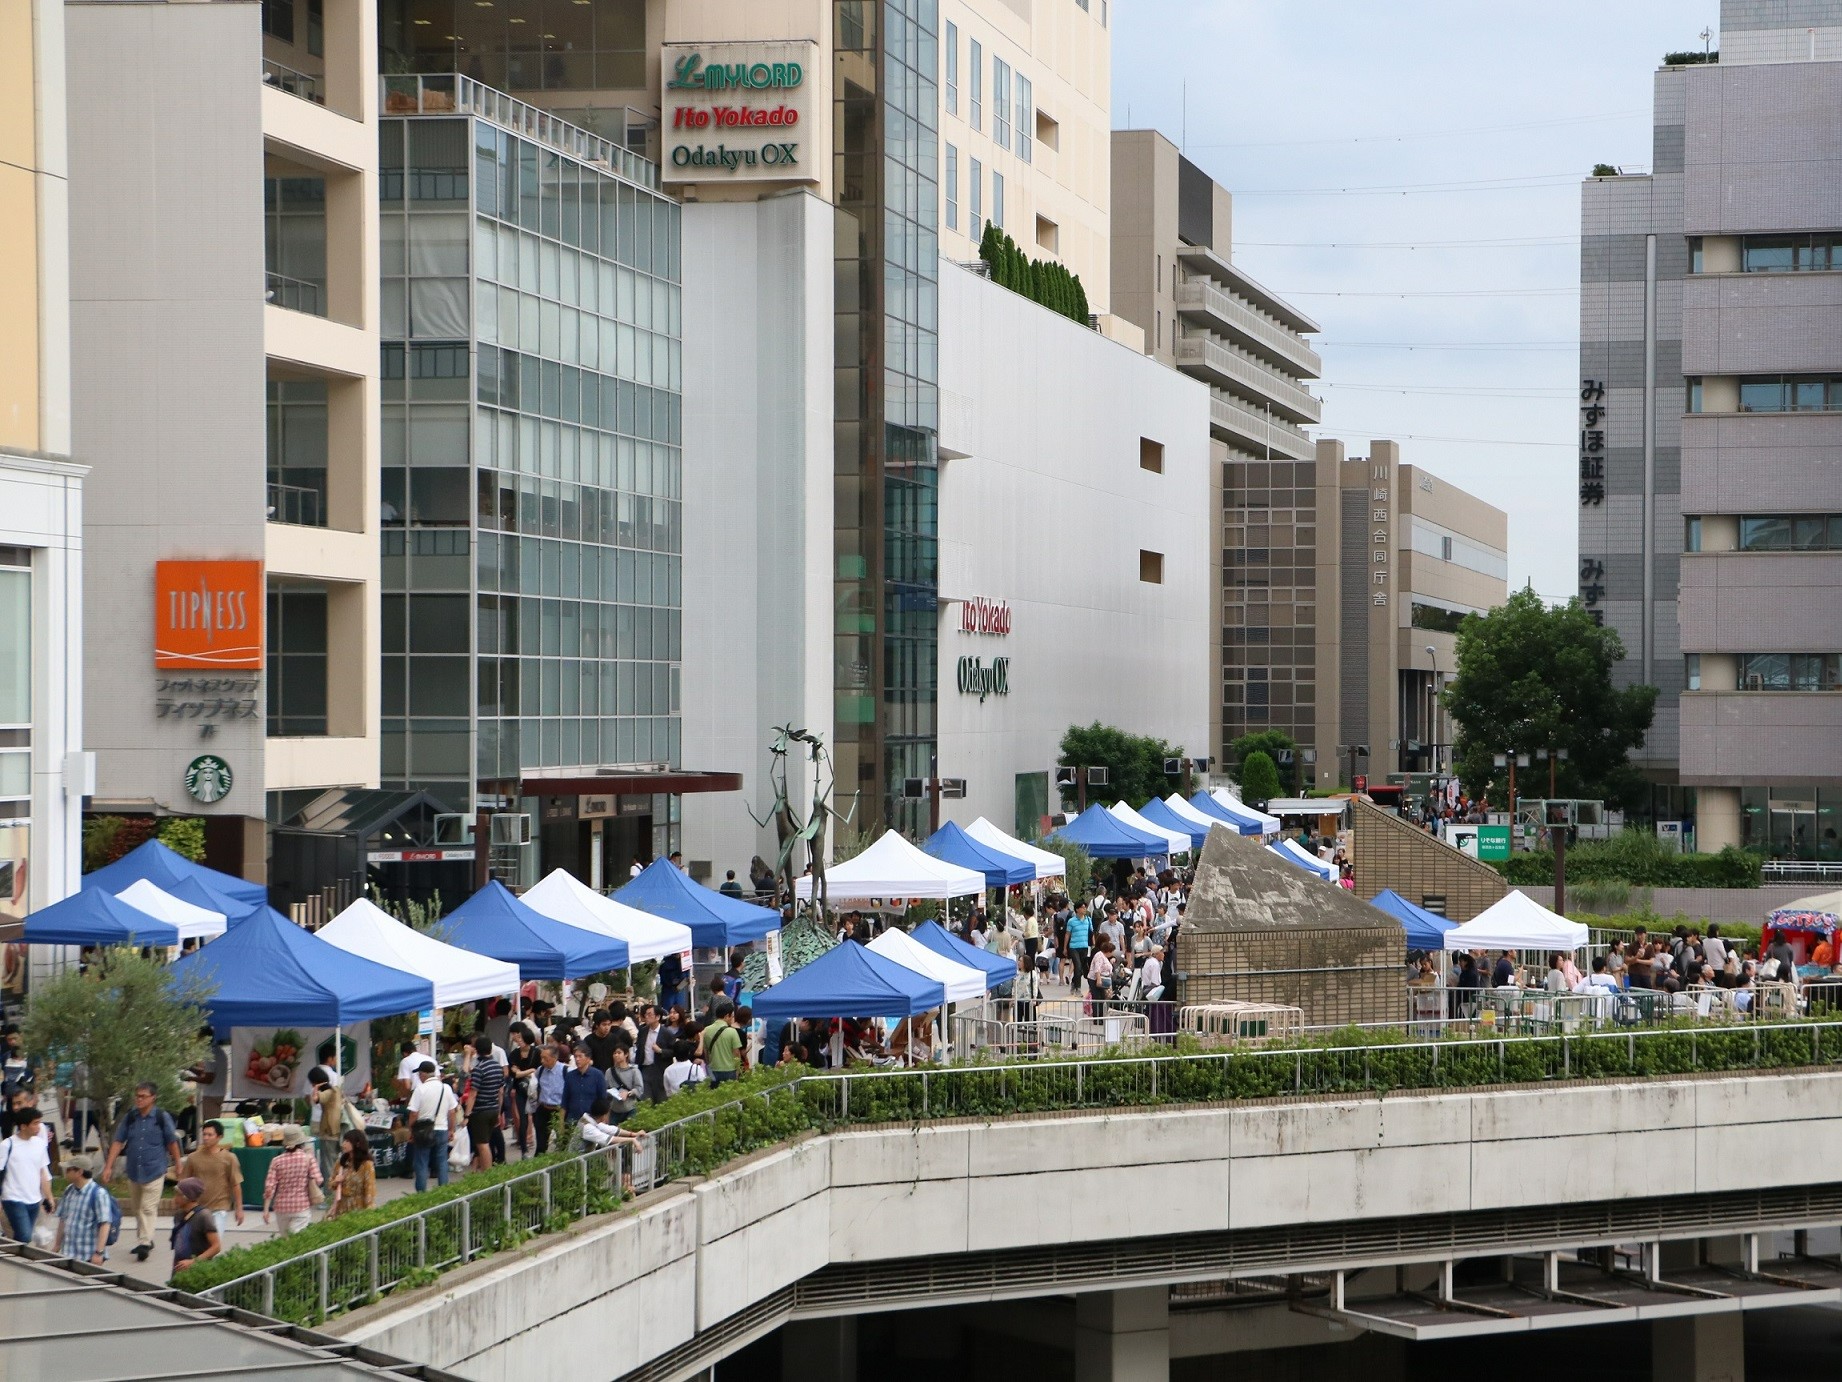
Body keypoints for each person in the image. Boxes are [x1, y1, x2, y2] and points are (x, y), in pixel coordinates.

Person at [101, 1082, 181, 1263]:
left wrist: (178, 1164)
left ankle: (144, 1242)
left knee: (148, 1208)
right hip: (134, 1171)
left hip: (155, 1169)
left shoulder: (161, 1117)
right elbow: (118, 1141)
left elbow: (171, 1141)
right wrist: (108, 1166)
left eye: (143, 1096)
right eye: (137, 1096)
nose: (139, 1099)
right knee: (137, 1209)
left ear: (153, 1098)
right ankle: (147, 1239)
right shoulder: (130, 1117)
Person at [181, 1119, 245, 1236]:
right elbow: (183, 1183)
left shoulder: (229, 1158)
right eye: (204, 1134)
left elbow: (235, 1184)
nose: (206, 1138)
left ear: (219, 1137)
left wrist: (239, 1209)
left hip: (219, 1208)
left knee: (214, 1245)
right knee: (199, 1246)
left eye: (210, 1135)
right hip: (197, 1209)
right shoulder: (193, 1158)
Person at [0, 1106, 53, 1242]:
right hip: (13, 1198)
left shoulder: (40, 1144)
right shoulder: (7, 1145)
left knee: (22, 1236)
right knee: (25, 1236)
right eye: (35, 1123)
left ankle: (12, 1255)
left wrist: (49, 1197)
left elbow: (43, 1172)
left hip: (34, 1199)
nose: (39, 1127)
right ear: (23, 1126)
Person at [406, 1062, 459, 1192]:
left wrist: (411, 1131)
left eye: (419, 1074)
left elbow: (413, 1113)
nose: (419, 1077)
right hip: (442, 1129)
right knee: (441, 1161)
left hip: (423, 1130)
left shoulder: (420, 1090)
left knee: (422, 1162)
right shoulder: (446, 1088)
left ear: (423, 1074)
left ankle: (422, 1194)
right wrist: (451, 1129)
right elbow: (452, 1111)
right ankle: (443, 1191)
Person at [261, 1125, 322, 1237]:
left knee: (285, 1240)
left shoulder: (276, 1161)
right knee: (297, 1241)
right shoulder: (308, 1158)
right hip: (301, 1206)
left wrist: (265, 1210)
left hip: (281, 1208)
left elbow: (270, 1187)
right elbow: (319, 1180)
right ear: (301, 1142)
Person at [53, 1154, 110, 1266]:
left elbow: (105, 1224)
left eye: (69, 1169)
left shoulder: (98, 1194)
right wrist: (57, 1245)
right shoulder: (69, 1190)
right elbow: (63, 1219)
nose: (66, 1172)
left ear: (79, 1172)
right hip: (68, 1253)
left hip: (88, 1256)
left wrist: (99, 1252)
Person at [462, 1035, 505, 1172]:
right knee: (487, 1142)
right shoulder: (497, 1067)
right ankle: (485, 1170)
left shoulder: (479, 1069)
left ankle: (488, 1174)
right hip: (493, 1109)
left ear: (477, 1050)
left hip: (481, 1111)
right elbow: (501, 1092)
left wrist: (467, 1115)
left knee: (482, 1144)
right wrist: (499, 1111)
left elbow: (473, 1094)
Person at [168, 1177, 221, 1276]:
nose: (174, 1198)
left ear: (187, 1197)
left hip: (198, 1272)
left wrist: (193, 1262)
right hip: (179, 1269)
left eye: (178, 1195)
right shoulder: (179, 1214)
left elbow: (216, 1246)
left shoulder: (204, 1216)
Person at [307, 1066, 344, 1185]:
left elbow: (315, 1099)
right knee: (334, 1163)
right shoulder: (336, 1089)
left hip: (328, 1131)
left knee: (328, 1165)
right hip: (338, 1130)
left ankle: (329, 1195)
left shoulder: (328, 1092)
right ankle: (334, 1192)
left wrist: (316, 1089)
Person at [328, 1128, 375, 1219]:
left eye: (347, 1141)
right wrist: (335, 1182)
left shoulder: (367, 1165)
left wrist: (369, 1212)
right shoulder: (341, 1162)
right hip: (341, 1208)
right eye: (344, 1141)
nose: (343, 1144)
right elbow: (330, 1184)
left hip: (358, 1209)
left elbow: (370, 1190)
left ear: (357, 1143)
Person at [531, 1042, 566, 1155]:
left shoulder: (565, 1071)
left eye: (545, 1058)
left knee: (562, 1141)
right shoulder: (540, 1070)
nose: (542, 1061)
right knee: (541, 1143)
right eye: (541, 1058)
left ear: (554, 1058)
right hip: (543, 1109)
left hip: (558, 1110)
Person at [562, 1045, 609, 1125]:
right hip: (572, 1120)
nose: (577, 1059)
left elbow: (603, 1099)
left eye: (580, 1056)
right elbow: (564, 1100)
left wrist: (604, 1121)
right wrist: (561, 1123)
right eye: (575, 1056)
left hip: (592, 1120)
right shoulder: (570, 1076)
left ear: (588, 1058)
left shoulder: (597, 1075)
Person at [700, 1005, 743, 1086]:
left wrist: (710, 1064)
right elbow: (736, 1054)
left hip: (713, 1069)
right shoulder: (732, 1032)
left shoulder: (706, 1030)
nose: (732, 1019)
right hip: (729, 1070)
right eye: (732, 1016)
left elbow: (705, 1052)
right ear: (727, 1016)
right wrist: (738, 1070)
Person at [606, 1045, 644, 1119]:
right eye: (614, 1053)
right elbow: (606, 1087)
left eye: (619, 1053)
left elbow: (639, 1088)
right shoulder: (609, 1071)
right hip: (614, 1108)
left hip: (630, 1107)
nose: (616, 1055)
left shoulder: (634, 1071)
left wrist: (628, 1093)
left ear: (626, 1054)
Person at [1066, 901, 1094, 991]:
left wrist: (1093, 945)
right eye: (1082, 907)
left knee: (1081, 968)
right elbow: (1067, 934)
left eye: (1085, 907)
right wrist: (1064, 948)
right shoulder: (1071, 921)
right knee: (1077, 966)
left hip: (1084, 946)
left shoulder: (1088, 920)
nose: (1084, 909)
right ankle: (1078, 988)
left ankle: (1074, 982)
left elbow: (1092, 933)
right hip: (1074, 946)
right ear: (1077, 909)